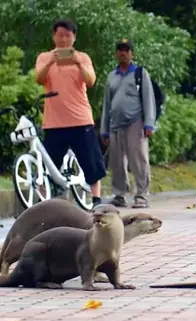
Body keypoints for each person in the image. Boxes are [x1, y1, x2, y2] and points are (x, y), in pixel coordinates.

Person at [35, 19, 106, 208]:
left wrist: (77, 63)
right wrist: (51, 61)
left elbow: (91, 81)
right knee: (48, 164)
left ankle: (97, 198)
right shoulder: (44, 57)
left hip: (80, 118)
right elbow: (38, 78)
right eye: (60, 35)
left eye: (68, 35)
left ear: (74, 37)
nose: (64, 39)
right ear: (53, 36)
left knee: (91, 161)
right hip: (54, 121)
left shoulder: (82, 57)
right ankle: (44, 203)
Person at [100, 39, 155, 208]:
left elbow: (148, 98)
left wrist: (149, 124)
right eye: (120, 50)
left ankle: (142, 195)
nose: (123, 53)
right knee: (116, 163)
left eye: (126, 50)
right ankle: (119, 195)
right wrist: (104, 129)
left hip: (135, 122)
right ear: (116, 53)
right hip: (115, 124)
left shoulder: (140, 73)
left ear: (132, 53)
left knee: (138, 160)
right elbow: (107, 104)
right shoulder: (111, 76)